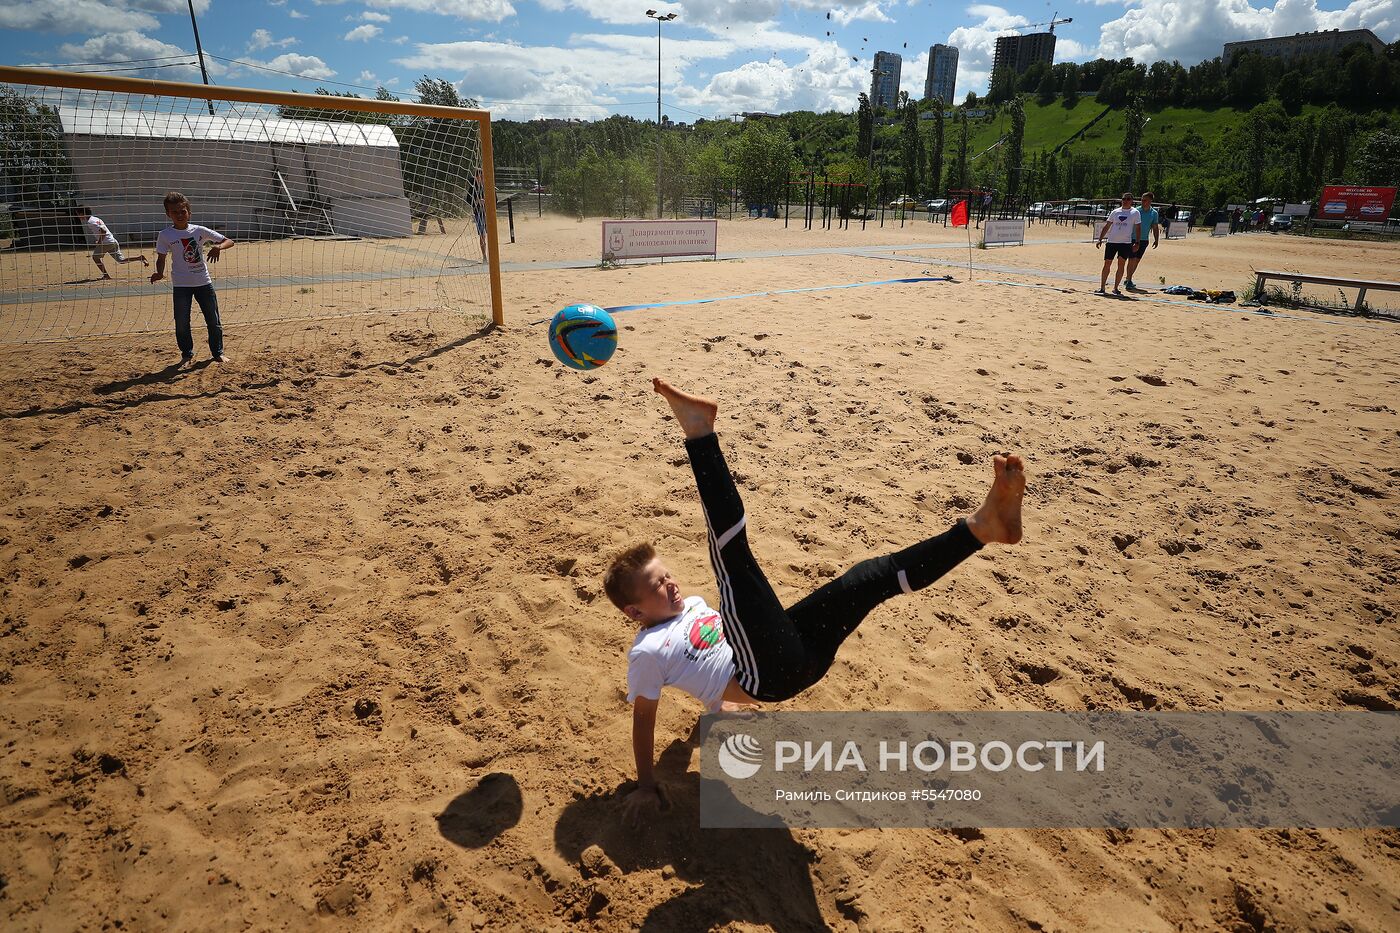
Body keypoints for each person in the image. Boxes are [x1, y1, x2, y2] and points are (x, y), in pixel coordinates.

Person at [609, 379, 1026, 823]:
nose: (670, 584)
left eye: (666, 574)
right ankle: (700, 433)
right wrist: (647, 786)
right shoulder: (648, 652)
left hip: (797, 653)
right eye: (656, 586)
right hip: (766, 675)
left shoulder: (690, 606)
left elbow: (711, 661)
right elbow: (644, 719)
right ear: (635, 612)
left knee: (869, 578)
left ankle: (982, 529)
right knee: (730, 552)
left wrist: (718, 706)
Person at [149, 191, 234, 365]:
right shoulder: (165, 235)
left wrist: (218, 247)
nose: (180, 215)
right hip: (181, 285)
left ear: (189, 212)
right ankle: (187, 354)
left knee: (213, 319)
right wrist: (159, 272)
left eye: (182, 211)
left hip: (204, 283)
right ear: (168, 214)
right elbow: (161, 257)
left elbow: (228, 241)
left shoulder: (199, 231)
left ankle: (218, 353)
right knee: (182, 322)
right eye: (175, 212)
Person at [76, 207, 147, 279]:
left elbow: (103, 231)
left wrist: (99, 242)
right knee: (121, 260)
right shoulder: (96, 219)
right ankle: (139, 258)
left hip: (106, 243)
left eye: (78, 214)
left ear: (82, 214)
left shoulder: (91, 222)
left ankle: (106, 275)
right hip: (112, 241)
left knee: (95, 258)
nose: (78, 216)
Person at [1093, 192, 1141, 296]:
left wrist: (1137, 242)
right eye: (1124, 199)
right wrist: (1100, 239)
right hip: (1112, 241)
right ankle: (1102, 287)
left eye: (1128, 199)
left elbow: (1138, 228)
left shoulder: (1135, 212)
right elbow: (1107, 226)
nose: (1125, 201)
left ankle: (1116, 288)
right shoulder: (1115, 212)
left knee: (1121, 264)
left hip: (1125, 243)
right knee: (1107, 263)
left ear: (1132, 201)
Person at [1124, 190, 1161, 291]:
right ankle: (1129, 280)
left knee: (1136, 260)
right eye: (1142, 200)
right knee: (1131, 259)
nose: (1143, 202)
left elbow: (1155, 227)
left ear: (1150, 201)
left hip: (1144, 239)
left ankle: (1128, 278)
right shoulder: (1135, 211)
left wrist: (1156, 239)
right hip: (1133, 238)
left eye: (1145, 200)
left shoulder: (1154, 213)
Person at [467, 168, 488, 263]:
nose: (483, 178)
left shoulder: (488, 186)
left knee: (491, 234)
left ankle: (493, 256)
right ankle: (484, 256)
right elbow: (468, 200)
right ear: (476, 177)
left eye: (484, 176)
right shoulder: (472, 188)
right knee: (482, 235)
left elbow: (495, 199)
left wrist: (488, 201)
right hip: (479, 213)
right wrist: (477, 201)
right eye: (481, 176)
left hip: (489, 213)